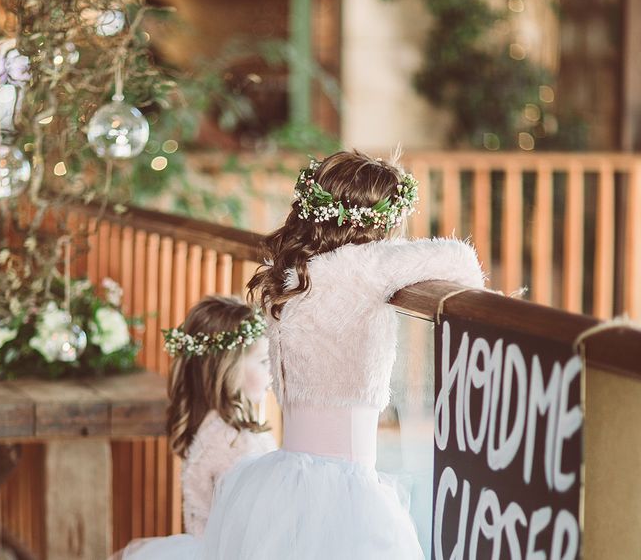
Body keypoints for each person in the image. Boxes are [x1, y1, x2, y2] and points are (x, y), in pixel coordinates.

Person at [200, 150, 486, 559]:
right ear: (376, 220)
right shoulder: (368, 265)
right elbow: (462, 262)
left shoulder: (293, 270)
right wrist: (393, 252)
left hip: (285, 474)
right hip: (347, 483)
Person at [113, 295, 276, 560]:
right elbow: (254, 524)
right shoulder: (233, 441)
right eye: (263, 362)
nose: (272, 372)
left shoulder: (215, 426)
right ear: (227, 367)